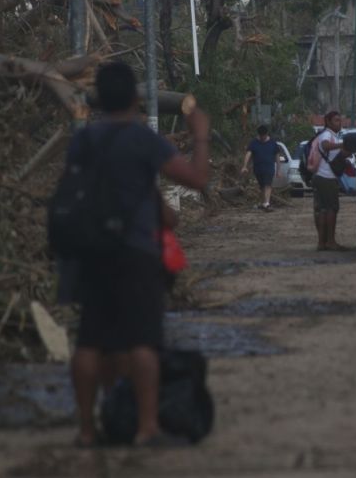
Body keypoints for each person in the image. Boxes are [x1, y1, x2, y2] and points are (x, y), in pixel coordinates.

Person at [67, 62, 210, 447]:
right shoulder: (143, 140)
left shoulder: (83, 140)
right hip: (136, 249)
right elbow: (195, 179)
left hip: (91, 249)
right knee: (143, 341)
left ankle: (85, 428)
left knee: (90, 341)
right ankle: (147, 428)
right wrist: (200, 138)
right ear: (134, 97)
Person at [308, 111, 347, 251]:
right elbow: (325, 146)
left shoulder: (333, 136)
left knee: (323, 210)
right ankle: (330, 241)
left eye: (340, 120)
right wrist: (341, 145)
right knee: (331, 210)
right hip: (326, 178)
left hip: (322, 177)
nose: (339, 123)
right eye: (336, 120)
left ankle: (322, 242)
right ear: (328, 122)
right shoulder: (326, 135)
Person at [241, 125, 280, 212]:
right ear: (258, 134)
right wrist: (244, 166)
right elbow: (248, 154)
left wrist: (278, 170)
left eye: (264, 135)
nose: (262, 137)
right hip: (258, 169)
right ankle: (264, 203)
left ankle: (267, 203)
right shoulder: (254, 143)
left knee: (268, 185)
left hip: (269, 168)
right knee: (262, 186)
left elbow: (277, 157)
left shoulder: (273, 143)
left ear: (267, 134)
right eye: (261, 136)